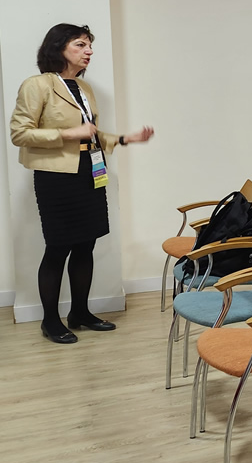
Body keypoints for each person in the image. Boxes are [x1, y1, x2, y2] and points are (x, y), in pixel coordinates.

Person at [9, 24, 155, 344]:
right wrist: (67, 134)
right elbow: (20, 133)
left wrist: (125, 139)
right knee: (58, 247)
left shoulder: (84, 88)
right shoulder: (38, 85)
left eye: (89, 45)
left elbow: (91, 134)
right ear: (58, 47)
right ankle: (50, 321)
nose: (89, 51)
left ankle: (80, 313)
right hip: (56, 178)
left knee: (86, 244)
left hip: (89, 173)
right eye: (80, 44)